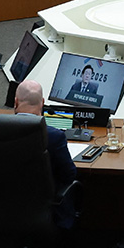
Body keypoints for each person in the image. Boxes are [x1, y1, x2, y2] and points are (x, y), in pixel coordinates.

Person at [13, 79, 77, 229]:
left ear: (15, 102)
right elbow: (69, 175)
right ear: (42, 103)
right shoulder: (54, 136)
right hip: (44, 213)